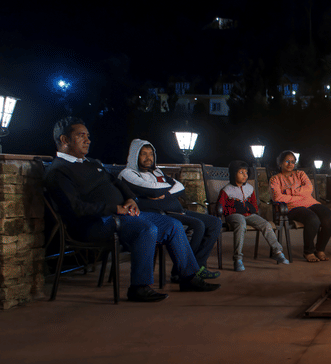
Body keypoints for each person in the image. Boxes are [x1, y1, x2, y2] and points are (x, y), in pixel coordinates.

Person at [44, 117, 220, 302]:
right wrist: (115, 208)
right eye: (81, 136)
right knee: (146, 229)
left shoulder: (92, 163)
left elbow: (116, 182)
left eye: (88, 135)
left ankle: (188, 278)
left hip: (123, 215)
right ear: (64, 140)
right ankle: (139, 287)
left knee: (173, 225)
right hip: (94, 223)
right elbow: (76, 208)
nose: (88, 140)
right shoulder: (59, 171)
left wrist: (131, 199)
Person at [118, 139, 221, 283]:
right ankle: (180, 272)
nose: (149, 158)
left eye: (151, 154)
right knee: (198, 225)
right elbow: (153, 191)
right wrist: (165, 188)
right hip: (161, 213)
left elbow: (180, 186)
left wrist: (164, 193)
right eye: (143, 154)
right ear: (135, 155)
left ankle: (199, 266)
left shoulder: (157, 171)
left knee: (215, 222)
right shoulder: (128, 173)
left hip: (178, 210)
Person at [217, 160, 289, 272]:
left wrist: (252, 210)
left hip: (249, 215)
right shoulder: (227, 190)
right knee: (241, 223)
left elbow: (254, 205)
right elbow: (220, 207)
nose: (245, 175)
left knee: (266, 224)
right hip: (234, 215)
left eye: (246, 172)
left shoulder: (249, 189)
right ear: (233, 173)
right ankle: (237, 259)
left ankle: (277, 251)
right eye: (241, 172)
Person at [270, 150, 331, 262]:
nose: (290, 164)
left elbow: (309, 189)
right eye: (287, 161)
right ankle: (309, 252)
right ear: (280, 163)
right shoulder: (275, 179)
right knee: (313, 219)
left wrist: (288, 192)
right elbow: (277, 197)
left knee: (330, 219)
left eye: (293, 161)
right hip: (292, 207)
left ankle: (320, 249)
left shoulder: (300, 174)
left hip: (310, 203)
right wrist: (299, 195)